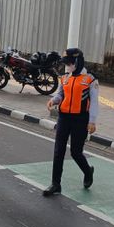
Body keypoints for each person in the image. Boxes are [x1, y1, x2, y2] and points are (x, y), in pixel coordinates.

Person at [43, 48, 99, 197]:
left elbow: (94, 102)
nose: (67, 66)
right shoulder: (65, 77)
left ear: (77, 61)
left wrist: (92, 121)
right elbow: (61, 93)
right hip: (64, 117)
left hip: (80, 119)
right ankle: (56, 184)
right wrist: (54, 100)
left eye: (69, 63)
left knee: (75, 152)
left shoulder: (90, 79)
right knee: (58, 151)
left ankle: (88, 171)